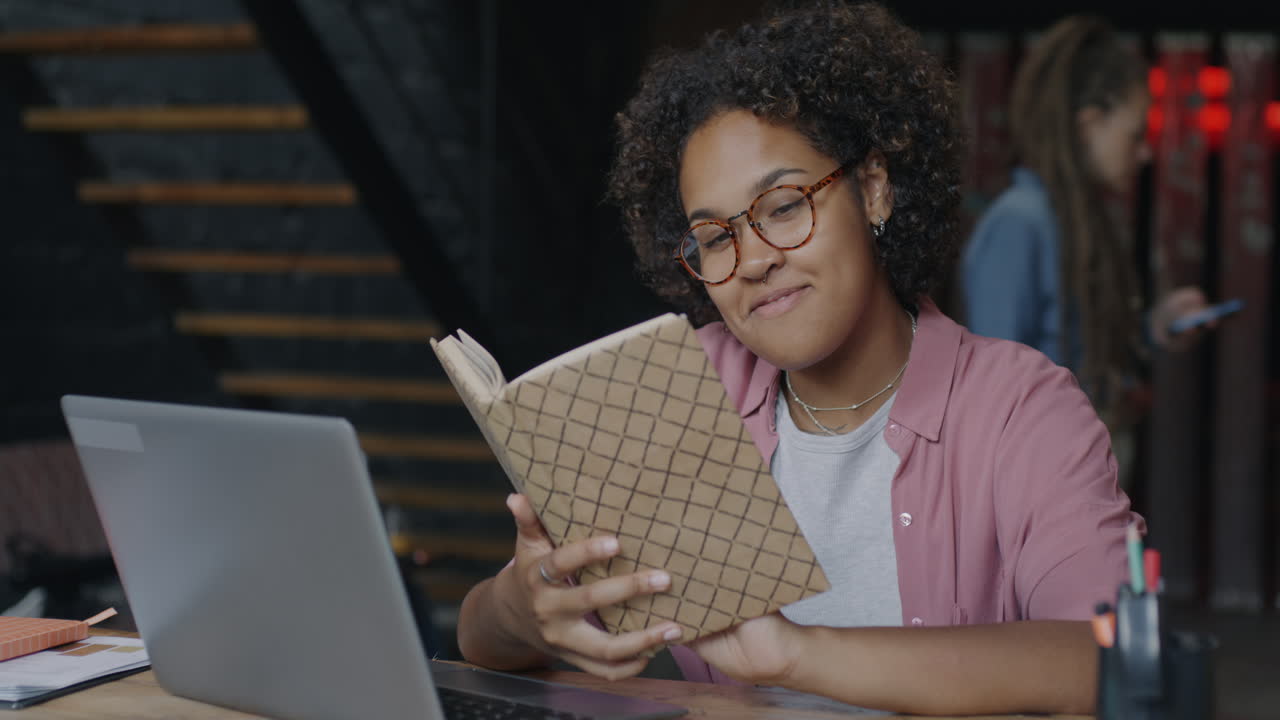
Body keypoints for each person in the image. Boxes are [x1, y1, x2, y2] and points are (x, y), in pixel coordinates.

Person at [457, 3, 1140, 715]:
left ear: (873, 189)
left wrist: (797, 654)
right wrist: (520, 605)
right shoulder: (681, 389)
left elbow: (1110, 661)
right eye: (714, 238)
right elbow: (479, 639)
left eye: (783, 206)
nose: (753, 260)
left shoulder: (1020, 409)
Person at [962, 15, 1210, 437]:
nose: (1145, 153)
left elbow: (1073, 348)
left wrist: (1155, 327)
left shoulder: (1072, 219)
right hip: (1038, 469)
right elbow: (994, 393)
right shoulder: (1020, 223)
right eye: (1135, 135)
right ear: (1088, 126)